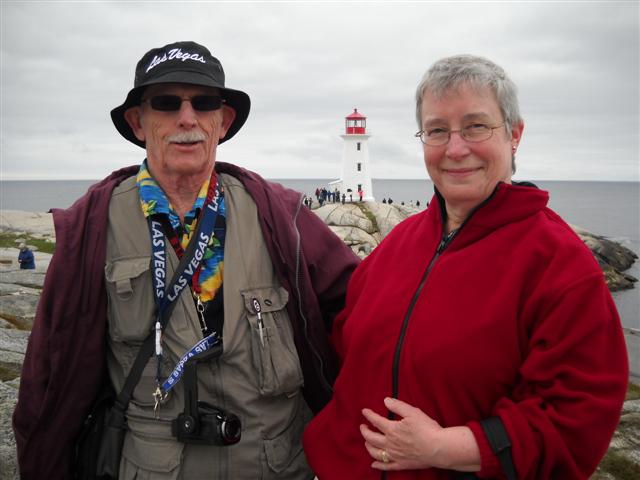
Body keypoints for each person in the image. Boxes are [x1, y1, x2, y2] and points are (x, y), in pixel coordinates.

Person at [13, 41, 359, 479]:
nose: (187, 118)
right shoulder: (92, 225)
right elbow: (49, 371)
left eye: (204, 102)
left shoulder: (278, 213)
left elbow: (360, 310)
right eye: (166, 102)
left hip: (276, 466)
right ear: (138, 122)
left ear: (223, 121)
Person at [303, 54, 628, 479]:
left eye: (476, 126)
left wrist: (445, 448)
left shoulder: (560, 264)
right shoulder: (398, 242)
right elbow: (341, 347)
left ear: (514, 134)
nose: (455, 149)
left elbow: (577, 417)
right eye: (437, 130)